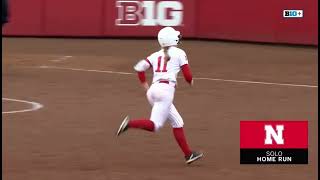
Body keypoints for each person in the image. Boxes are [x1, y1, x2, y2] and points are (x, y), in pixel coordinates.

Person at [116, 27, 203, 164]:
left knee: (177, 122)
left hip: (153, 91)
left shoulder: (155, 54)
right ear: (171, 39)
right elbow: (188, 76)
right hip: (165, 92)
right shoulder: (179, 52)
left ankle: (188, 155)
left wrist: (145, 85)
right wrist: (190, 81)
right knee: (155, 125)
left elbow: (140, 67)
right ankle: (129, 124)